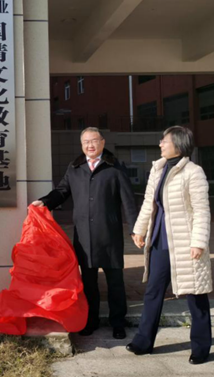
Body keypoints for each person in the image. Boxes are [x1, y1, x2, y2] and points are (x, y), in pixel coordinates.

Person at [31, 127, 137, 339]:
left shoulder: (114, 167)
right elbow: (62, 191)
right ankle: (91, 320)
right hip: (84, 236)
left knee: (115, 282)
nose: (90, 145)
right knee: (88, 283)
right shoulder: (75, 168)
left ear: (102, 142)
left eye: (94, 140)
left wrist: (135, 229)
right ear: (81, 145)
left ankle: (118, 322)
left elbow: (128, 200)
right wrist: (45, 202)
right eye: (86, 142)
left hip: (109, 235)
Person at [127, 126, 212, 365]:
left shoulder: (193, 172)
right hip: (160, 242)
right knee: (153, 291)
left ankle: (201, 348)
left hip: (186, 243)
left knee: (195, 295)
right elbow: (149, 203)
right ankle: (143, 341)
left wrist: (199, 242)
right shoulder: (158, 168)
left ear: (179, 144)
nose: (160, 144)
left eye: (164, 141)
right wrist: (139, 229)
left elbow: (201, 210)